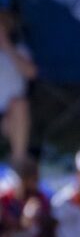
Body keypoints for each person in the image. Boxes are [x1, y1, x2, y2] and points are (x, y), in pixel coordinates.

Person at [0, 11, 36, 160]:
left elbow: (31, 73)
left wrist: (7, 47)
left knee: (20, 105)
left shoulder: (19, 50)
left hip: (10, 114)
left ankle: (18, 162)